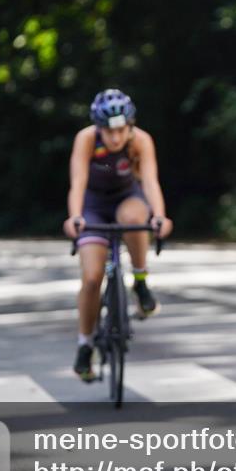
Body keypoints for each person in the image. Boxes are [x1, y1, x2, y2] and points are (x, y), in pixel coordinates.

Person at [63, 89, 173, 382]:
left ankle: (140, 281)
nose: (115, 138)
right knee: (91, 277)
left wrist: (160, 217)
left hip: (128, 198)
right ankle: (85, 345)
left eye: (121, 130)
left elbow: (150, 182)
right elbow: (77, 182)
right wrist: (75, 218)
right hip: (93, 204)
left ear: (130, 125)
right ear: (99, 128)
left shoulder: (141, 141)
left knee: (136, 218)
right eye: (108, 132)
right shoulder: (86, 139)